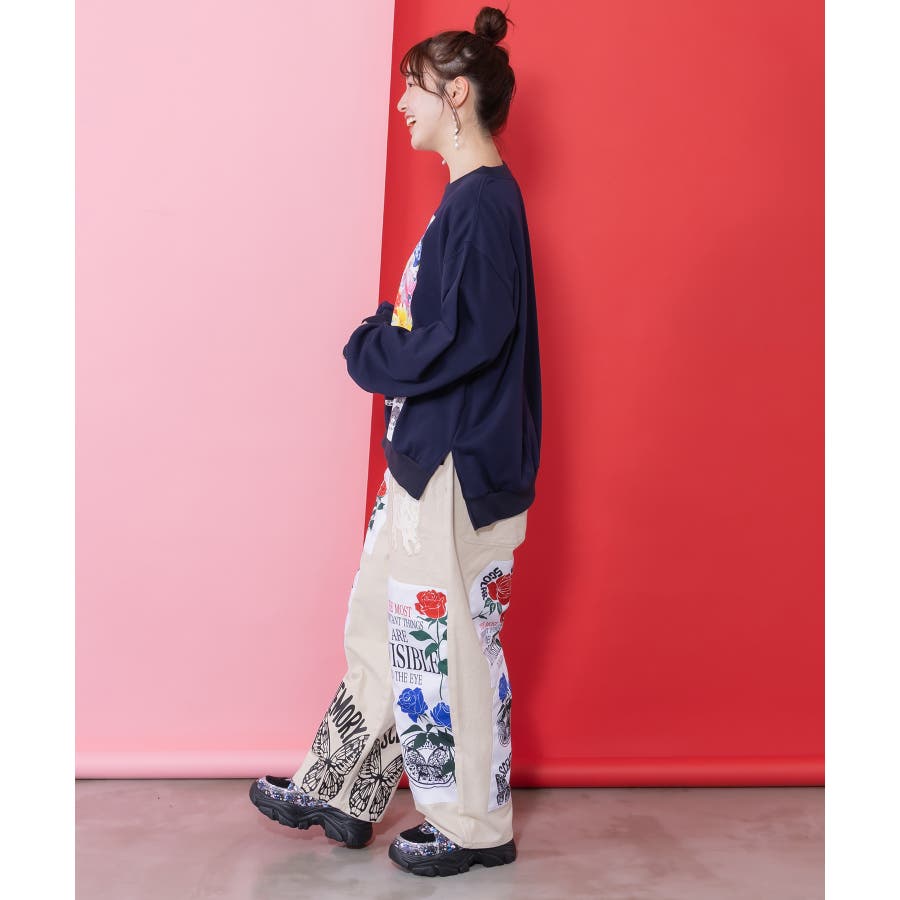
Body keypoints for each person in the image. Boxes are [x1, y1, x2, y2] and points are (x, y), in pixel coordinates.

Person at [249, 4, 541, 877]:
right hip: (426, 461)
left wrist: (373, 347)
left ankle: (474, 827)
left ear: (457, 94)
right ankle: (341, 787)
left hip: (456, 466)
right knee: (385, 625)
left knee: (445, 650)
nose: (402, 104)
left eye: (413, 88)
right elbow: (440, 323)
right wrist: (393, 334)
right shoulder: (468, 201)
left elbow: (461, 337)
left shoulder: (482, 202)